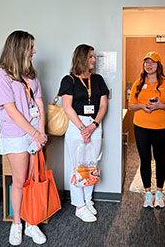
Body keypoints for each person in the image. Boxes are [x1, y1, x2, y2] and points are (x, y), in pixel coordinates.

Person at [0, 31, 47, 245]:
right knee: (19, 180)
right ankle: (17, 224)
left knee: (34, 179)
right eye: (31, 47)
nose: (34, 51)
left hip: (35, 132)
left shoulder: (30, 73)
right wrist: (34, 133)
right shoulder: (1, 75)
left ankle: (31, 224)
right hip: (16, 133)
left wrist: (41, 133)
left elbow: (40, 104)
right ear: (19, 49)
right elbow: (12, 111)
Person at [59, 44, 109, 222]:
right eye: (90, 57)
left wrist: (93, 125)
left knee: (91, 164)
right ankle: (79, 205)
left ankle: (88, 200)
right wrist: (82, 128)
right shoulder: (69, 80)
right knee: (77, 165)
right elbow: (66, 107)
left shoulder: (98, 80)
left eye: (94, 56)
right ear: (81, 58)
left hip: (95, 124)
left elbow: (103, 105)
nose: (94, 60)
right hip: (76, 125)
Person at [128, 51, 165, 208]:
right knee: (145, 159)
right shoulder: (138, 83)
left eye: (153, 62)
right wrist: (142, 106)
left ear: (158, 65)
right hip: (141, 127)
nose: (149, 65)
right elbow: (130, 106)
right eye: (146, 62)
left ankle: (160, 193)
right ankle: (148, 194)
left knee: (160, 158)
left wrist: (161, 106)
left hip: (161, 128)